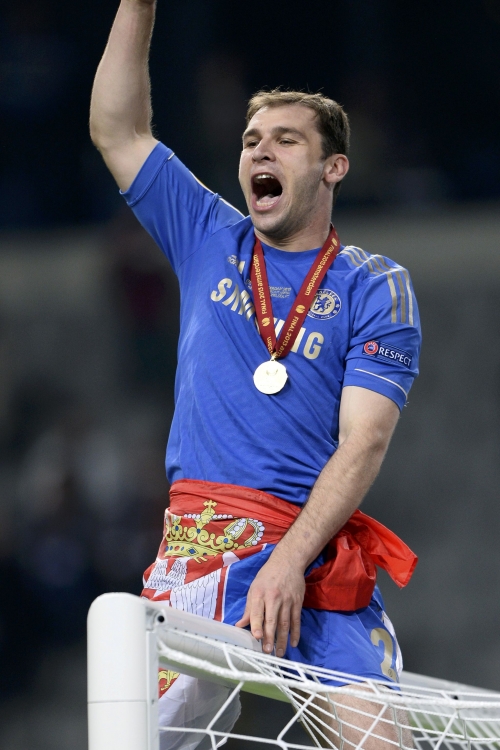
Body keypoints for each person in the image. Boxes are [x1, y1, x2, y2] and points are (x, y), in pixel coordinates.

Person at [90, 1, 421, 747]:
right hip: (201, 548)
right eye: (250, 141)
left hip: (314, 556)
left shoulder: (375, 286)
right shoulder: (208, 234)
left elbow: (364, 442)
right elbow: (118, 130)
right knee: (134, 737)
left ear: (333, 167)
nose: (259, 150)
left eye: (285, 139)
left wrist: (288, 564)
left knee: (382, 740)